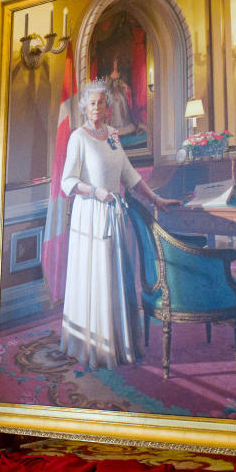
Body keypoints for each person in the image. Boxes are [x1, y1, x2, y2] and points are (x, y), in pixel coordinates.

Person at [59, 79, 179, 369]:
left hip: (114, 214)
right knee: (97, 275)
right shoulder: (78, 137)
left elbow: (128, 173)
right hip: (91, 216)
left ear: (108, 108)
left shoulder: (112, 136)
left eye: (101, 102)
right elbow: (67, 182)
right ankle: (94, 346)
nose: (97, 107)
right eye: (92, 103)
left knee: (115, 276)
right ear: (84, 108)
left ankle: (118, 341)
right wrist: (95, 192)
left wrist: (155, 199)